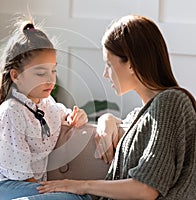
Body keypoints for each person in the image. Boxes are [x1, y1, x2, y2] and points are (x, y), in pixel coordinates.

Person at [37, 15, 196, 199]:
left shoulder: (171, 102)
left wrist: (80, 186)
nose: (105, 74)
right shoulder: (145, 113)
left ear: (130, 63)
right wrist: (107, 119)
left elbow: (146, 189)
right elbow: (132, 127)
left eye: (109, 64)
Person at [0, 18, 91, 200]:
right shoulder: (12, 111)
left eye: (53, 71)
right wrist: (47, 192)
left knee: (80, 197)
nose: (50, 79)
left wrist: (77, 116)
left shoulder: (48, 105)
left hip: (22, 187)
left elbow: (65, 115)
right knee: (75, 198)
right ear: (16, 76)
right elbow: (21, 173)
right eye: (41, 73)